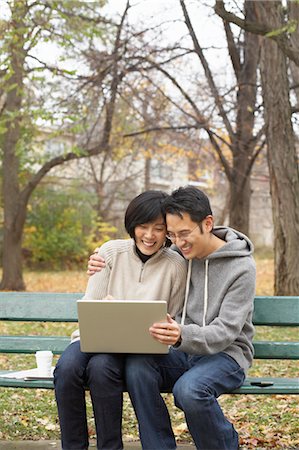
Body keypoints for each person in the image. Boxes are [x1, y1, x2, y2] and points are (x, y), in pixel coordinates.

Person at [88, 185, 256, 450]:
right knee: (138, 367)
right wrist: (100, 257)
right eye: (173, 235)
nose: (178, 242)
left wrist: (182, 334)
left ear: (208, 223)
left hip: (226, 355)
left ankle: (225, 445)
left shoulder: (241, 267)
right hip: (182, 350)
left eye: (185, 234)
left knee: (189, 390)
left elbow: (226, 331)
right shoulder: (179, 254)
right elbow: (137, 254)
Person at [54, 190, 187, 450]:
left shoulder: (176, 265)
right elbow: (91, 303)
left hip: (140, 348)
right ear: (132, 225)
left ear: (168, 231)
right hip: (95, 338)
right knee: (66, 369)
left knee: (101, 369)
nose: (149, 236)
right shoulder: (110, 252)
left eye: (159, 229)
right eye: (143, 227)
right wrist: (106, 310)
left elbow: (175, 315)